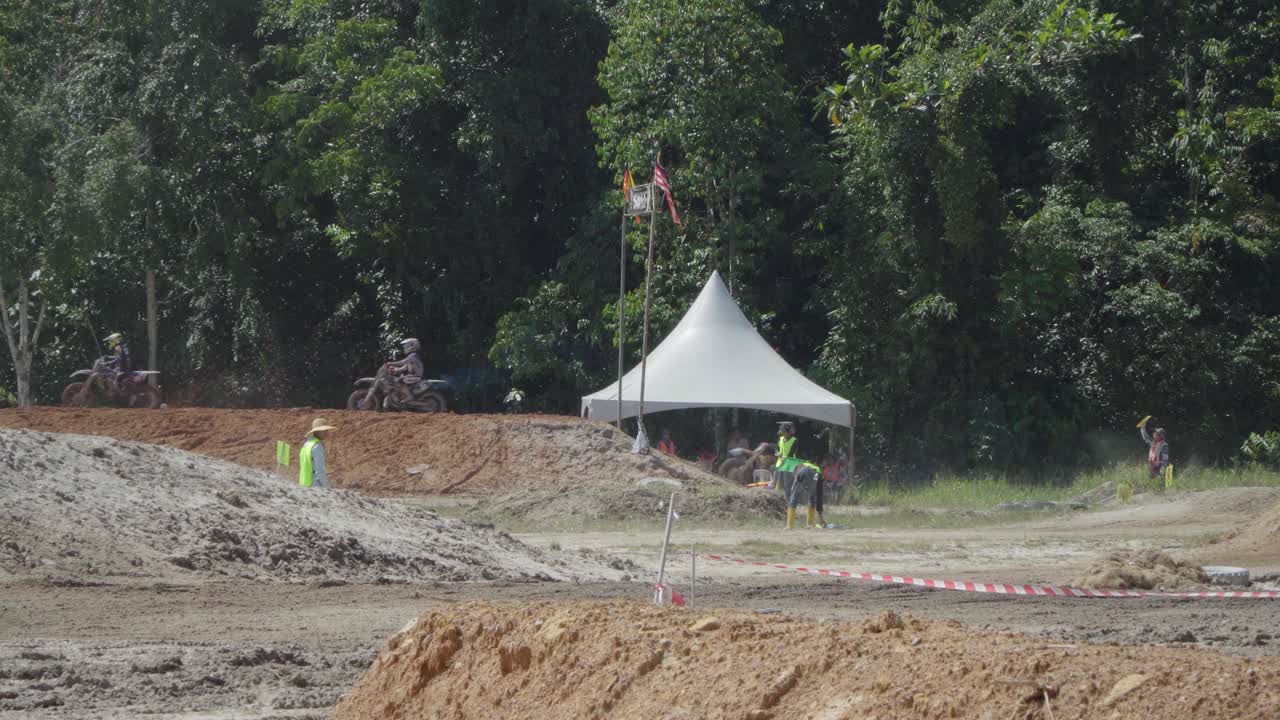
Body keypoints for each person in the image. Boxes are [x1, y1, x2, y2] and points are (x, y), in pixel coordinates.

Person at [385, 337, 424, 407]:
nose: (404, 347)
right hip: (412, 376)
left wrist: (391, 363)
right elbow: (404, 368)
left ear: (412, 346)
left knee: (398, 381)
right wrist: (395, 370)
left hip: (414, 376)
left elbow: (402, 362)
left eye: (406, 345)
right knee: (398, 379)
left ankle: (409, 396)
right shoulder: (412, 356)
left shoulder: (413, 356)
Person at [299, 418, 336, 488]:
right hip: (315, 486)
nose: (327, 433)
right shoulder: (317, 446)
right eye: (324, 431)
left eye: (327, 431)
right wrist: (328, 487)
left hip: (303, 484)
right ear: (317, 431)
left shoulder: (306, 444)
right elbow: (319, 471)